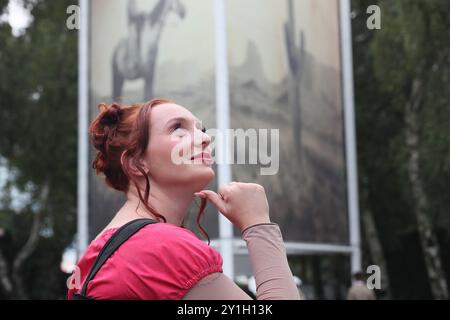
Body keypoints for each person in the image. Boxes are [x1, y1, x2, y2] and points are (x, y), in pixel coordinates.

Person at [67, 98, 300, 300]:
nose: (205, 139)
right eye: (178, 130)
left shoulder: (96, 254)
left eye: (202, 129)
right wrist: (257, 223)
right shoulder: (161, 247)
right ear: (136, 163)